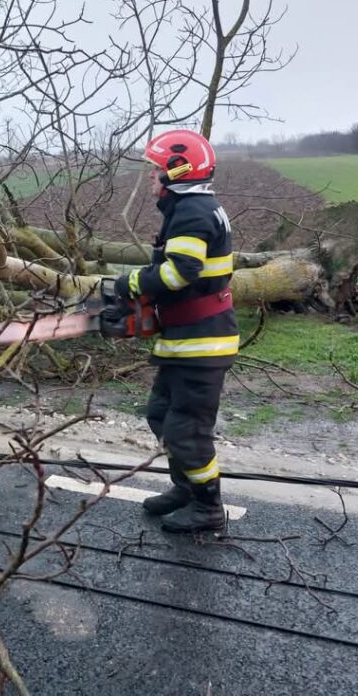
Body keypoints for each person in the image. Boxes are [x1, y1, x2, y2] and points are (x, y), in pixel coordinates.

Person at [114, 129, 239, 533]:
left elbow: (179, 273)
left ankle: (208, 507)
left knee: (186, 430)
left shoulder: (192, 211)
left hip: (202, 344)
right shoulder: (190, 208)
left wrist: (131, 283)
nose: (150, 177)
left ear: (177, 171)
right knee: (161, 415)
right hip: (187, 340)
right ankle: (185, 488)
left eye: (155, 170)